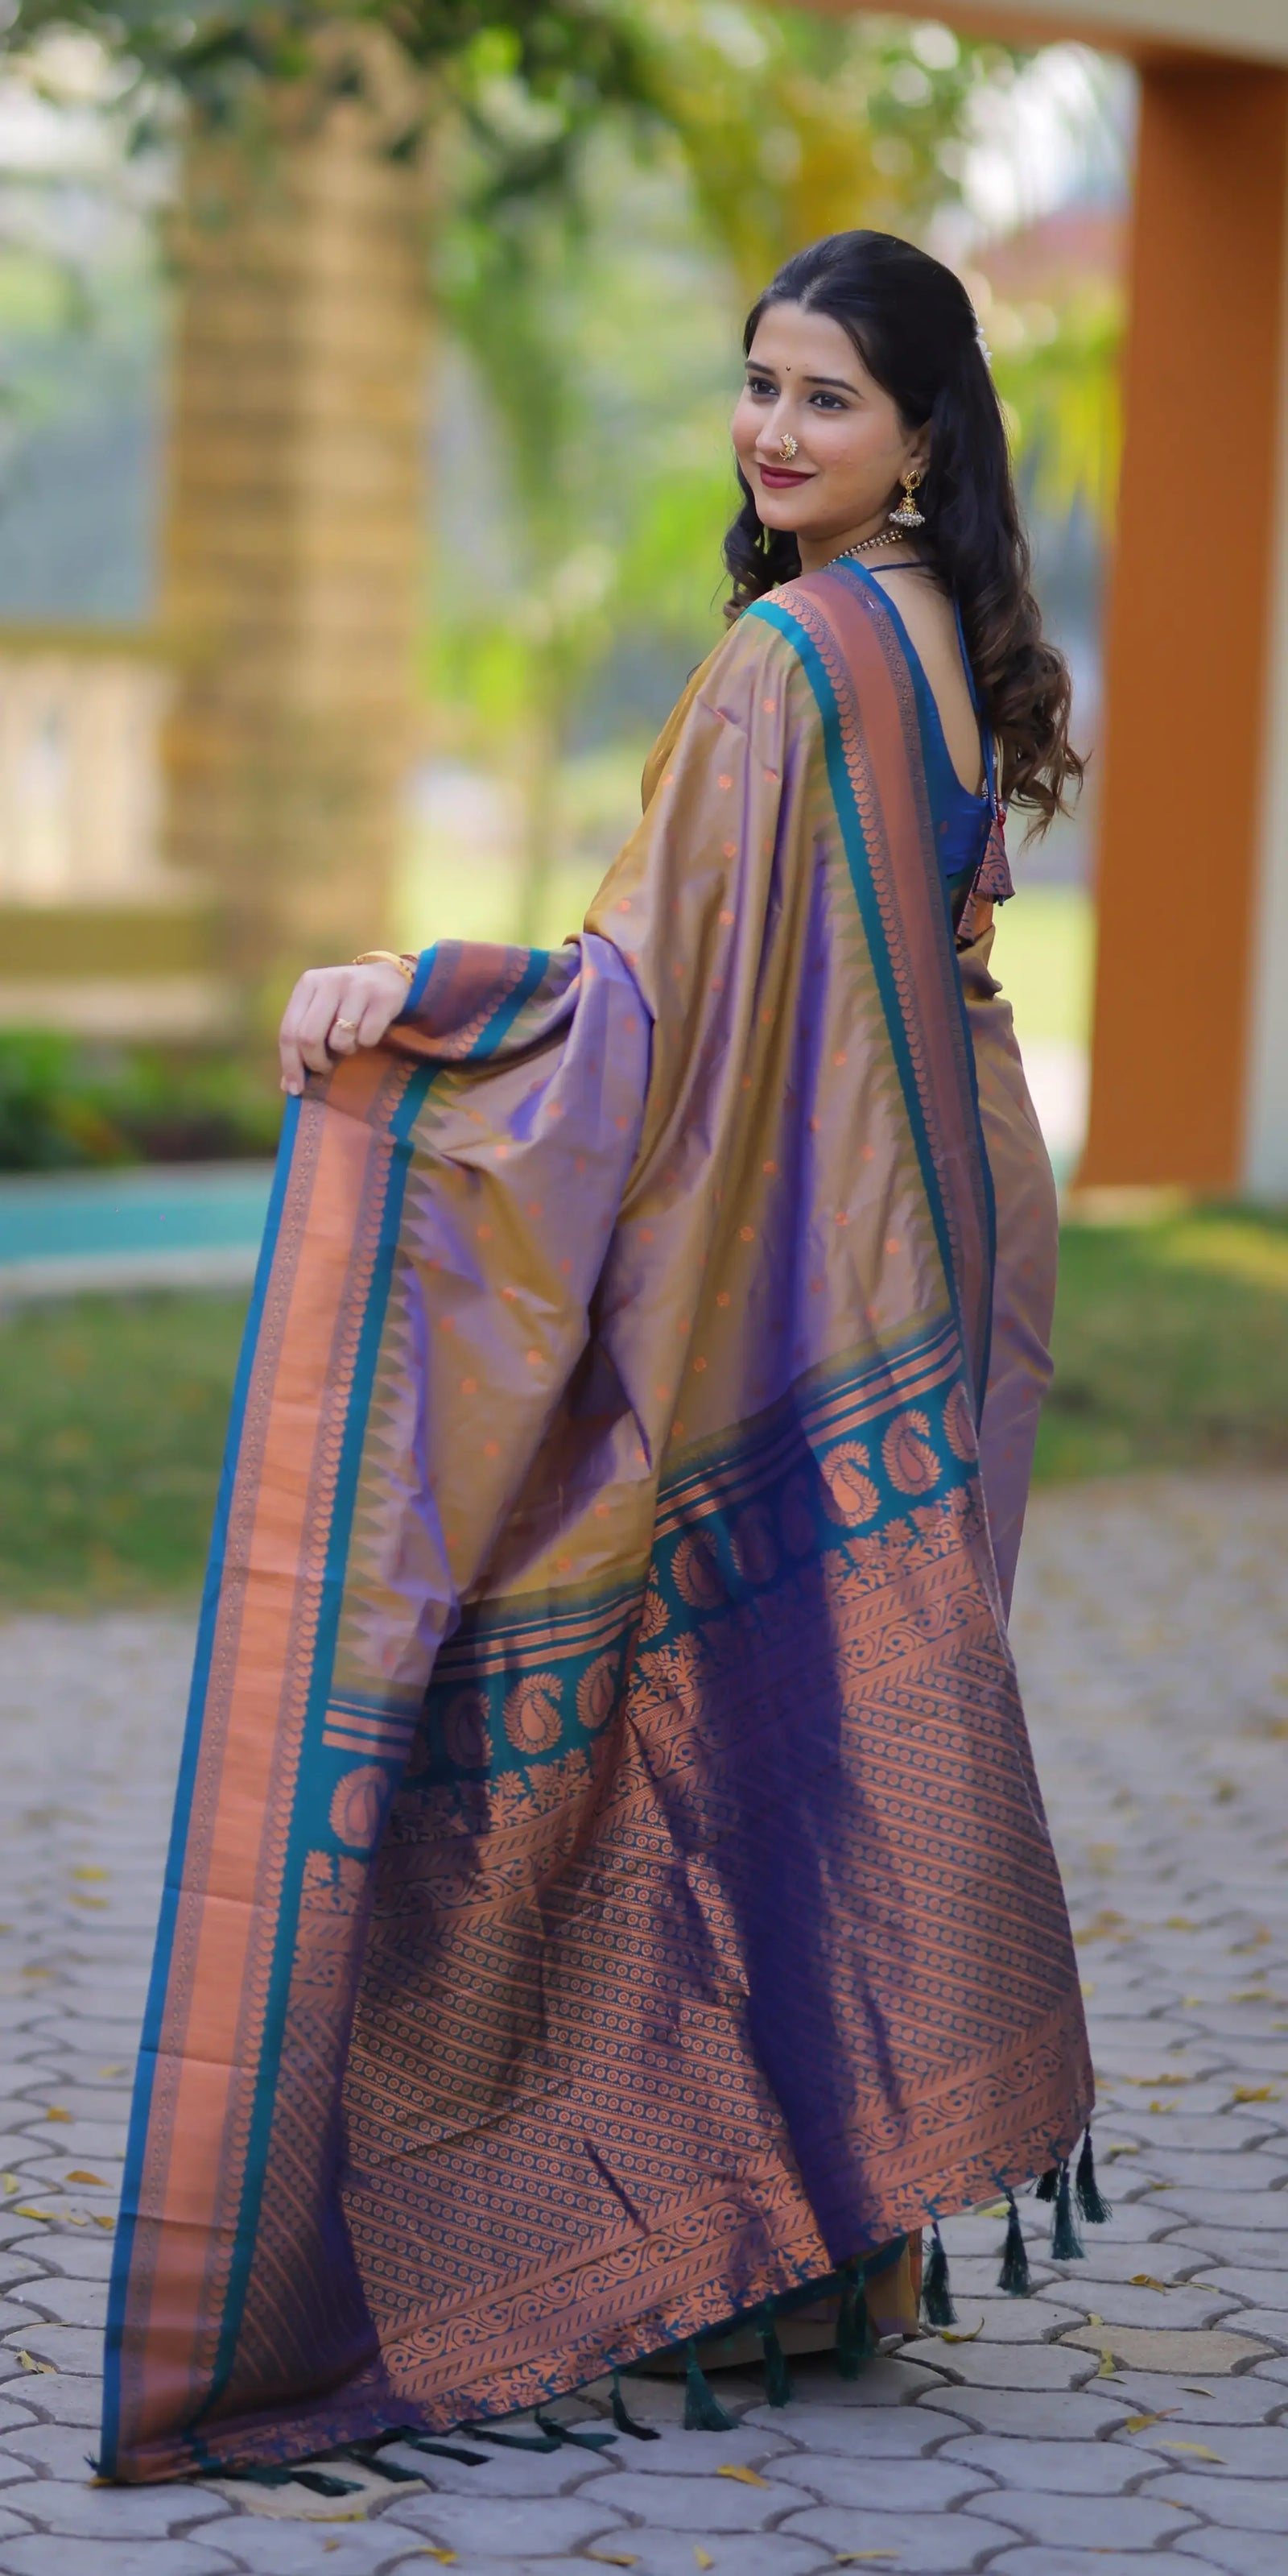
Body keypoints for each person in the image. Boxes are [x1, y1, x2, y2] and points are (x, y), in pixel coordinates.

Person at [101, 230, 1100, 2487]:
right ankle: (838, 2248)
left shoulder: (796, 650)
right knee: (852, 1699)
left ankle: (726, 2247)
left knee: (712, 1689)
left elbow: (633, 1009)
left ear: (922, 435)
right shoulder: (937, 630)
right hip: (941, 1212)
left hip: (832, 1216)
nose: (772, 429)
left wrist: (425, 1000)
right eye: (757, 382)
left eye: (827, 396)